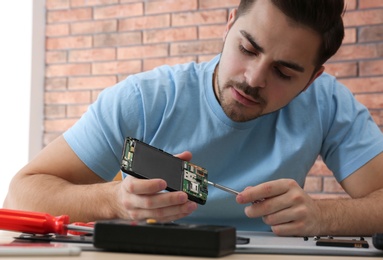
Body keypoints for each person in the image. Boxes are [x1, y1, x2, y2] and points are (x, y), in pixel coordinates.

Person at [4, 0, 383, 237]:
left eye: (284, 72)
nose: (253, 79)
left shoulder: (328, 102)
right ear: (229, 23)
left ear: (312, 78)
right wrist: (114, 200)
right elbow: (22, 193)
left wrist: (323, 216)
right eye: (247, 48)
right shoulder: (145, 99)